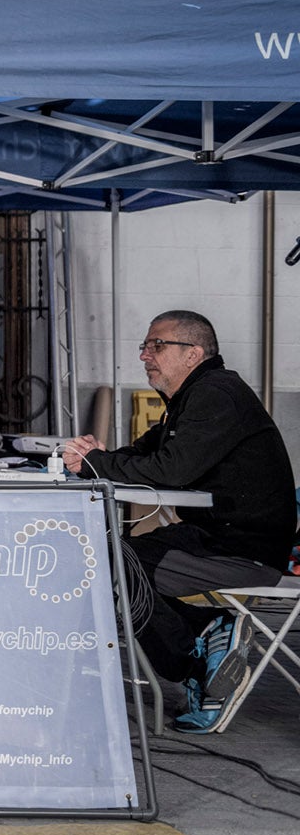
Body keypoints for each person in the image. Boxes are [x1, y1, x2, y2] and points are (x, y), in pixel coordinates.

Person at [63, 311, 297, 731]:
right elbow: (144, 456)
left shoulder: (215, 394)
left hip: (243, 548)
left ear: (193, 353)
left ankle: (198, 654)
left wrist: (96, 464)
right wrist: (96, 457)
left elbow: (171, 470)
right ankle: (210, 639)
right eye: (144, 346)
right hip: (212, 537)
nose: (144, 356)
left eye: (157, 345)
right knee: (113, 562)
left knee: (114, 567)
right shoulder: (191, 398)